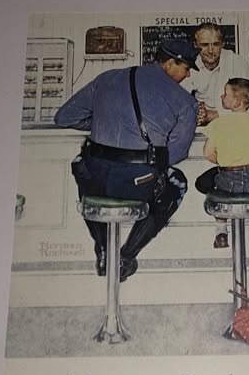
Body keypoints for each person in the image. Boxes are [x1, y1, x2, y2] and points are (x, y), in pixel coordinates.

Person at [54, 39, 200, 281]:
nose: (187, 76)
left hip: (95, 179)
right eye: (186, 68)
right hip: (136, 184)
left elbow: (64, 117)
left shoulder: (107, 78)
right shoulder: (186, 102)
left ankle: (103, 249)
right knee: (177, 183)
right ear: (170, 63)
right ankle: (127, 256)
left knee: (83, 165)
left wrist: (105, 124)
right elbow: (176, 155)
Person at [199, 78, 249, 254]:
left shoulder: (218, 124)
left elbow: (208, 153)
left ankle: (221, 232)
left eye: (225, 94)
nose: (222, 96)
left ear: (236, 102)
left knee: (218, 190)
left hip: (227, 180)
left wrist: (226, 161)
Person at [181, 22, 249, 124]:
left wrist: (214, 115)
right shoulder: (188, 64)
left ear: (222, 44)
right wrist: (196, 110)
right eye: (204, 45)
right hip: (201, 120)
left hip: (232, 120)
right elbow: (179, 99)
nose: (210, 51)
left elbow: (248, 104)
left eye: (216, 44)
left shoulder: (237, 62)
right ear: (195, 45)